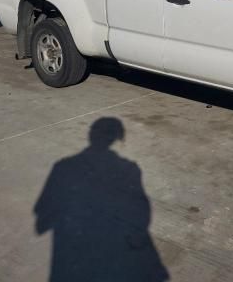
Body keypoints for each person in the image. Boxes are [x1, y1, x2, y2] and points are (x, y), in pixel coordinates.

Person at [34, 117, 169, 282]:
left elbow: (42, 215)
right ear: (116, 139)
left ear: (91, 135)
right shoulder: (129, 170)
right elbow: (140, 213)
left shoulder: (62, 167)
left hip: (72, 255)